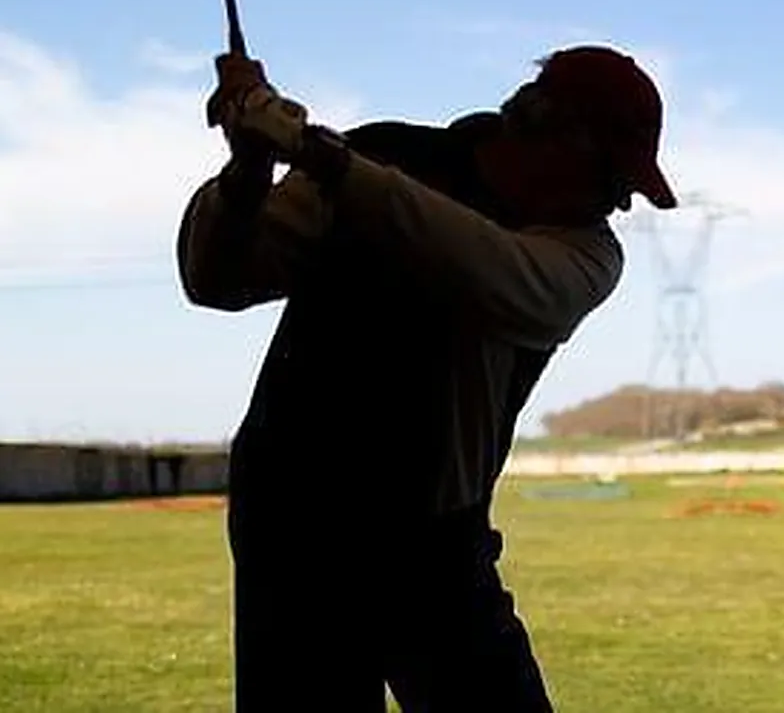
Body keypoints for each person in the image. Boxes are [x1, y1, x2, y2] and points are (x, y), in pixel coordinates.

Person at [176, 44, 677, 711]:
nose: (621, 202)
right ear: (553, 132)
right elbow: (217, 277)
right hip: (297, 526)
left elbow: (480, 263)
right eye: (614, 176)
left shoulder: (587, 252)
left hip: (437, 545)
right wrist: (247, 172)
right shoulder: (384, 155)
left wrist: (325, 159)